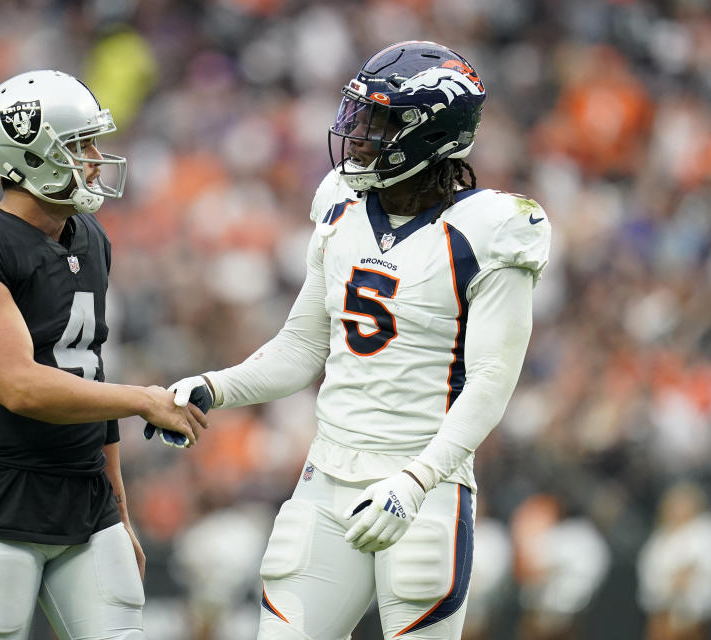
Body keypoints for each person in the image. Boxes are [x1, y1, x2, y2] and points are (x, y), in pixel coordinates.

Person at [162, 41, 551, 639]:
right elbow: (300, 348)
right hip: (327, 478)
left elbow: (492, 381)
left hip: (423, 486)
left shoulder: (492, 229)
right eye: (360, 115)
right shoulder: (341, 206)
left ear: (430, 133)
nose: (359, 133)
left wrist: (417, 481)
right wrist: (213, 387)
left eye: (381, 120)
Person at [0, 69, 207, 640]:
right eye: (78, 145)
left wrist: (120, 506)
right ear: (30, 155)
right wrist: (143, 401)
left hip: (86, 498)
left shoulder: (88, 236)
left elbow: (90, 369)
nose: (93, 159)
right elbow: (21, 385)